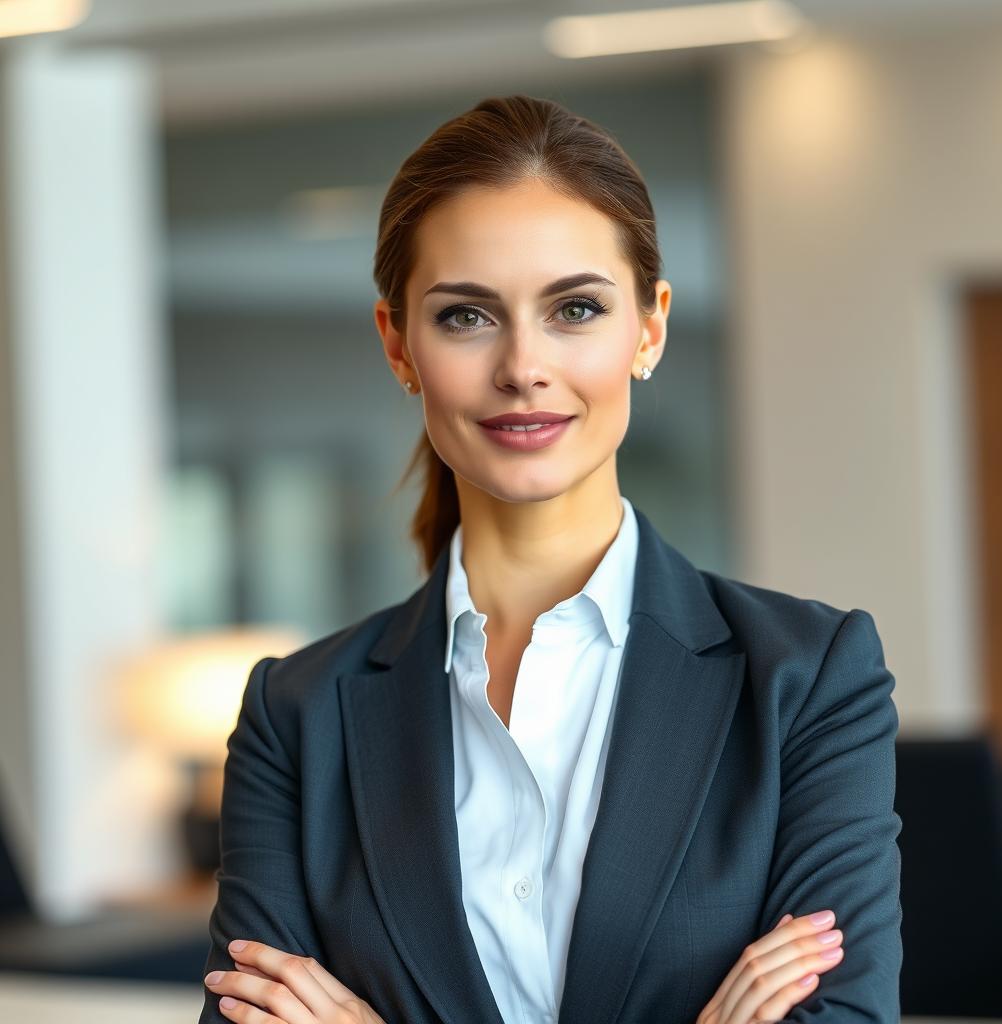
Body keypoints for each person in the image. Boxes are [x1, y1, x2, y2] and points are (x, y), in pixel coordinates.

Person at [198, 95, 902, 1024]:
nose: (524, 366)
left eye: (575, 308)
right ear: (397, 345)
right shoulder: (296, 717)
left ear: (647, 328)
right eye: (465, 318)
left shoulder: (809, 681)